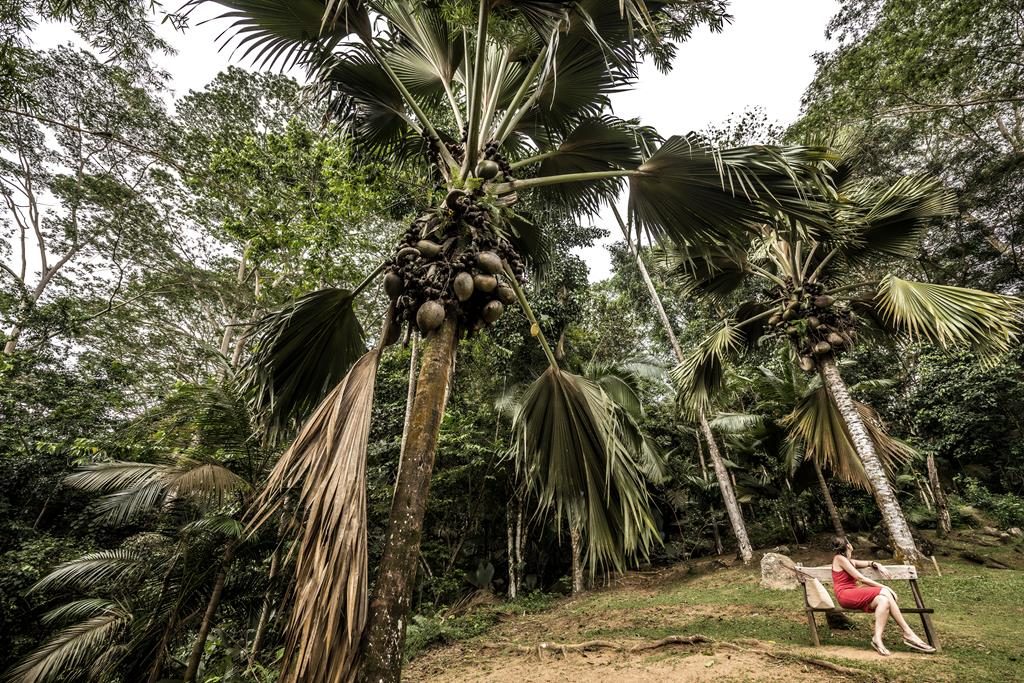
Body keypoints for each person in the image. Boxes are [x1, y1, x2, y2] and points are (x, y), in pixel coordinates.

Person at [830, 536, 936, 655]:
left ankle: (877, 639)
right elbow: (860, 578)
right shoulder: (839, 559)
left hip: (853, 594)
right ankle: (908, 633)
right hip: (845, 595)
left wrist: (877, 564)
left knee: (883, 601)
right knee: (884, 592)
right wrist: (885, 587)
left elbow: (868, 563)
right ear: (849, 546)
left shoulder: (850, 561)